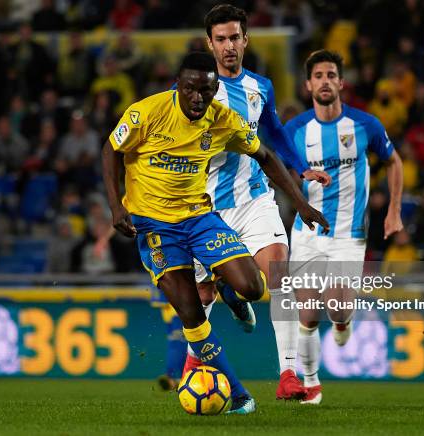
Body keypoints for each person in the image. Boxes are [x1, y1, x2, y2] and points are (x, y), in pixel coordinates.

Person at [101, 52, 329, 414]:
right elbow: (112, 150)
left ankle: (230, 290)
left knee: (254, 287)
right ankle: (239, 394)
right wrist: (116, 205)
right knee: (191, 313)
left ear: (215, 89)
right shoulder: (146, 112)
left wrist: (301, 204)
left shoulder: (223, 120)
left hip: (199, 217)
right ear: (177, 85)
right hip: (155, 227)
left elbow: (266, 155)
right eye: (189, 89)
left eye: (205, 91)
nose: (196, 98)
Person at [179, 4, 331, 401]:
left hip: (254, 198)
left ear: (246, 39)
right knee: (203, 296)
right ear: (209, 44)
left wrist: (300, 170)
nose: (229, 46)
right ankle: (196, 363)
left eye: (235, 38)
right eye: (221, 39)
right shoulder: (191, 93)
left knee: (279, 275)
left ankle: (288, 376)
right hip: (204, 205)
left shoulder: (259, 87)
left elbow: (275, 134)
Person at [284, 49, 403, 404]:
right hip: (307, 233)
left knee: (336, 307)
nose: (325, 81)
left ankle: (342, 322)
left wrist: (393, 210)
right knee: (306, 313)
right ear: (308, 84)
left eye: (331, 75)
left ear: (341, 82)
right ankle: (311, 383)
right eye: (318, 75)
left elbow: (394, 162)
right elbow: (282, 174)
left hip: (349, 235)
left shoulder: (366, 125)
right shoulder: (295, 130)